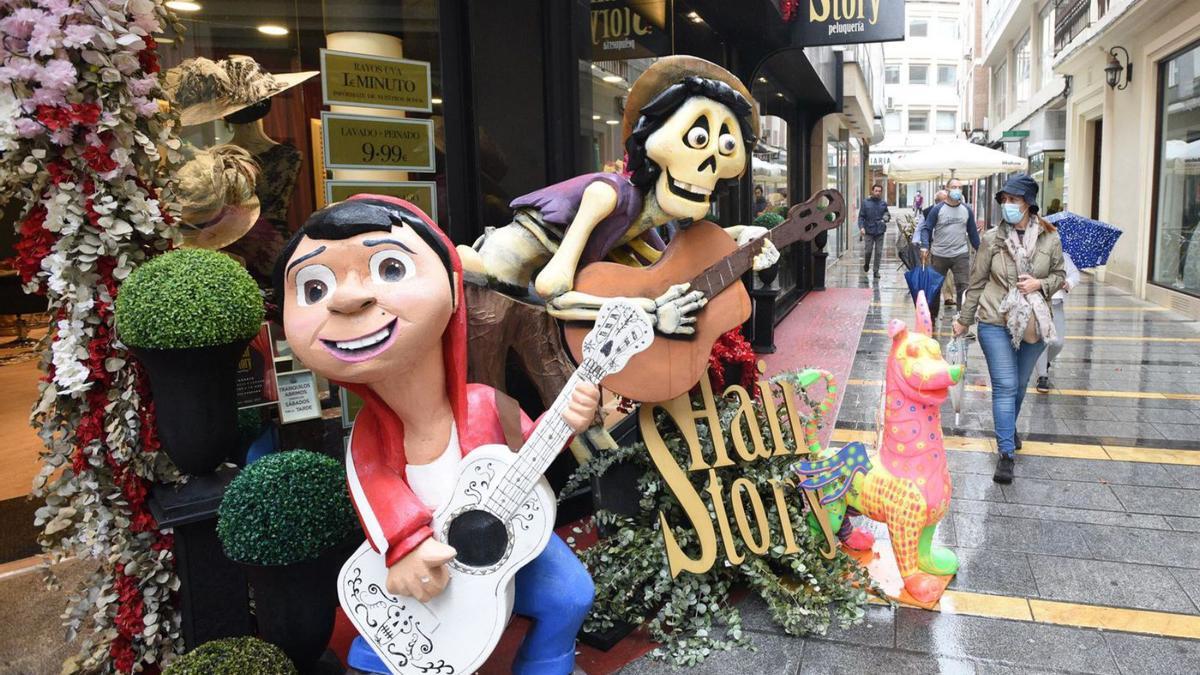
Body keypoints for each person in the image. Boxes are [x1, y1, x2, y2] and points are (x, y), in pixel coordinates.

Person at [275, 196, 601, 674]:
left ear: (452, 288)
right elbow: (377, 492)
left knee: (570, 593)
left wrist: (568, 421)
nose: (347, 299)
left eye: (389, 268)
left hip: (501, 538)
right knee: (392, 645)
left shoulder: (485, 403)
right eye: (315, 286)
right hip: (419, 571)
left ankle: (546, 665)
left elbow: (533, 456)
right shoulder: (369, 433)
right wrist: (405, 547)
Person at [953, 174, 1066, 485]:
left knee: (1018, 383)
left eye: (1014, 200)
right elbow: (975, 284)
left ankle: (1007, 427)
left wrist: (1040, 283)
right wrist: (964, 319)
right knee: (1004, 384)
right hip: (995, 319)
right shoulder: (992, 239)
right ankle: (1006, 454)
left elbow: (1060, 274)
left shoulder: (1050, 238)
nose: (1007, 205)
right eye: (1004, 200)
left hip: (1033, 322)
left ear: (1029, 204)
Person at [920, 179, 980, 322]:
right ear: (947, 189)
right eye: (954, 187)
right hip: (939, 255)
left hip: (960, 254)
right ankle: (931, 318)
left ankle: (962, 319)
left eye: (960, 187)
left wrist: (982, 251)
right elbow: (926, 229)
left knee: (963, 287)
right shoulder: (937, 209)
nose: (957, 190)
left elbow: (973, 234)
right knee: (935, 287)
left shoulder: (967, 210)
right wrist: (924, 246)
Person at [1035, 250, 1080, 393]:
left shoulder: (1064, 256)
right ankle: (1042, 375)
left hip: (1057, 303)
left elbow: (1075, 275)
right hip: (1039, 303)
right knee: (1043, 340)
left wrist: (1068, 283)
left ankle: (1044, 362)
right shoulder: (1034, 253)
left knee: (1058, 342)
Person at [858, 183, 890, 279]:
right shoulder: (865, 203)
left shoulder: (883, 203)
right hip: (868, 230)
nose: (878, 193)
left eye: (879, 191)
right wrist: (861, 227)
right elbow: (861, 217)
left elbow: (887, 214)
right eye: (876, 191)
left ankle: (876, 271)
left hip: (880, 230)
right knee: (868, 251)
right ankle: (867, 263)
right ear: (872, 191)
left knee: (879, 252)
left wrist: (886, 217)